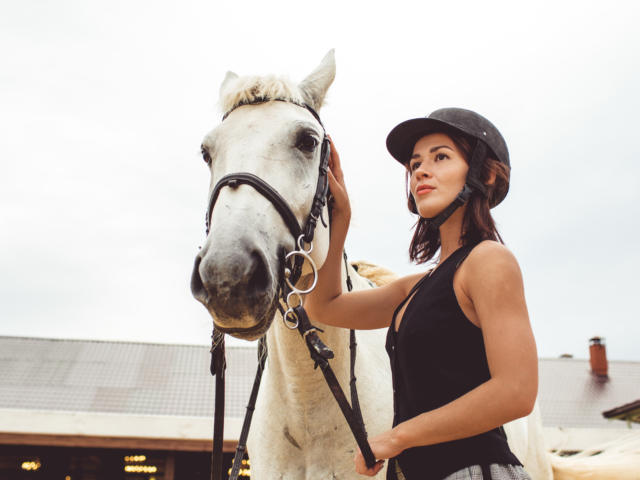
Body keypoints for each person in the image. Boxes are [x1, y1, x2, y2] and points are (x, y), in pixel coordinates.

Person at [304, 108, 537, 480]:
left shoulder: (489, 260)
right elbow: (324, 306)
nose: (420, 172)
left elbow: (517, 390)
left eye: (440, 157)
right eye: (415, 165)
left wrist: (398, 437)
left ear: (486, 173)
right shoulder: (415, 287)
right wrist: (341, 217)